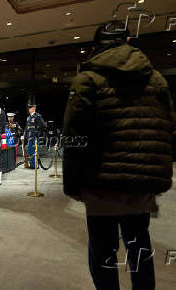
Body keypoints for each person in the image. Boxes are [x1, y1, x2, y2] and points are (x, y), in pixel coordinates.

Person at [63, 20, 175, 290]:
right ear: (127, 42)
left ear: (96, 47)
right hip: (140, 184)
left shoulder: (87, 79)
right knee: (139, 245)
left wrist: (73, 185)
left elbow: (75, 136)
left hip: (101, 182)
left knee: (103, 250)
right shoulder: (156, 78)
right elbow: (168, 128)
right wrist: (158, 175)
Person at [23, 103, 45, 169]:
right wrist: (24, 135)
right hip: (29, 137)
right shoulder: (29, 117)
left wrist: (37, 134)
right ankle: (32, 165)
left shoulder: (37, 116)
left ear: (34, 108)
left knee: (35, 150)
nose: (29, 109)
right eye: (29, 108)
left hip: (35, 137)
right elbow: (27, 127)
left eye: (31, 108)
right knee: (30, 150)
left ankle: (35, 165)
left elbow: (42, 125)